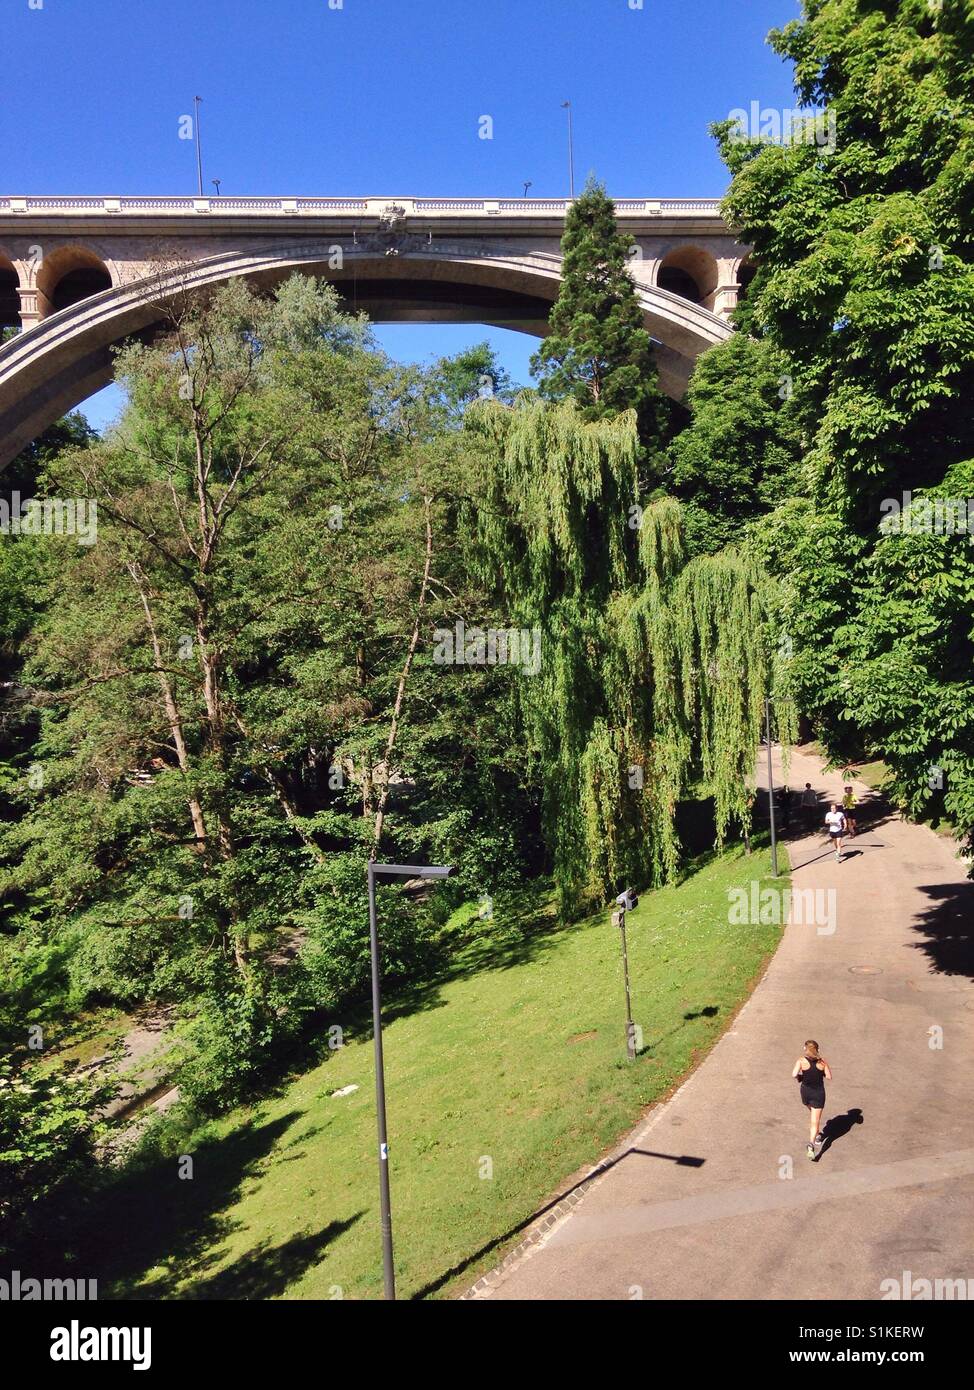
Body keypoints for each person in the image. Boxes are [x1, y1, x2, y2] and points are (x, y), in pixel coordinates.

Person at [792, 1039, 832, 1159]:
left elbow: (794, 1074)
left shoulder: (801, 1061)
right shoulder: (822, 1063)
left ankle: (818, 1134)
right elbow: (829, 1077)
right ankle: (811, 1144)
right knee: (815, 1122)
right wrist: (821, 1073)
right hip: (818, 1094)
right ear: (817, 1050)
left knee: (813, 1113)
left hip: (805, 1092)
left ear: (805, 1049)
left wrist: (802, 1076)